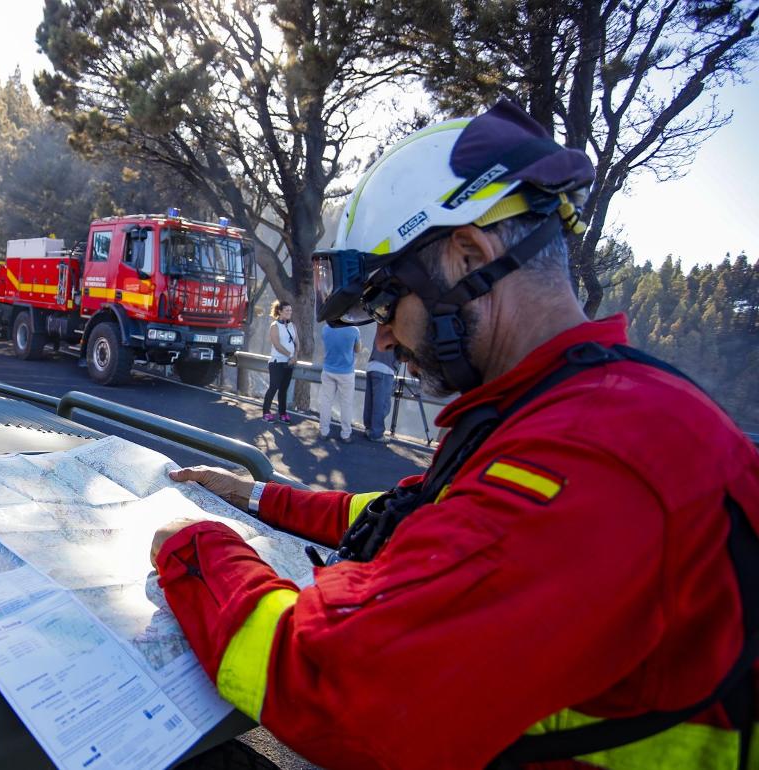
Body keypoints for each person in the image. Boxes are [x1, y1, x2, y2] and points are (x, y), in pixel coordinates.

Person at [149, 100, 759, 769]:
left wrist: (194, 549)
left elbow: (335, 684)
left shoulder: (592, 455)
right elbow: (415, 516)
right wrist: (256, 495)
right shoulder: (573, 406)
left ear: (470, 255)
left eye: (386, 301)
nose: (381, 335)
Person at [317, 322, 362, 442]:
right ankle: (345, 434)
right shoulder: (354, 330)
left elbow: (324, 347)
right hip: (346, 372)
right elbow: (358, 349)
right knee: (346, 404)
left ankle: (324, 431)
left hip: (328, 369)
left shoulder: (326, 328)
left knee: (326, 402)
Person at [260, 300, 297, 423]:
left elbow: (297, 343)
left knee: (284, 389)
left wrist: (295, 356)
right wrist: (290, 354)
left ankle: (282, 413)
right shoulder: (275, 326)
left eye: (290, 310)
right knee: (274, 387)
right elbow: (276, 345)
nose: (289, 312)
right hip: (277, 362)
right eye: (287, 310)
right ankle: (266, 412)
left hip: (289, 362)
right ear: (280, 311)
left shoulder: (292, 326)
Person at [362, 346, 398, 442]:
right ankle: (376, 434)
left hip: (372, 366)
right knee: (382, 404)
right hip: (385, 369)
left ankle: (369, 428)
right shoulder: (399, 334)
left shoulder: (382, 331)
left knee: (370, 401)